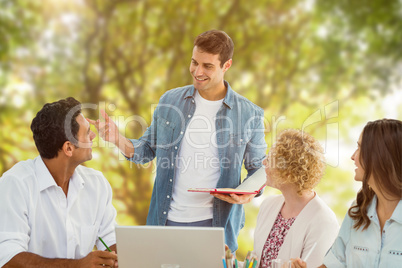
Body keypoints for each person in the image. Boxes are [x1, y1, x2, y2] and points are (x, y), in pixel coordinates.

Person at [87, 29, 267, 251]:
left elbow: (258, 170)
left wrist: (246, 195)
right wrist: (117, 138)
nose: (197, 71)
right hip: (165, 222)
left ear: (226, 66)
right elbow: (145, 150)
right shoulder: (170, 100)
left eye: (208, 66)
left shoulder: (250, 114)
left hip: (216, 227)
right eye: (194, 63)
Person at [0, 97, 118, 268]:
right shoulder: (15, 184)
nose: (93, 135)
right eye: (86, 132)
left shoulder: (97, 184)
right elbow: (8, 258)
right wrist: (76, 266)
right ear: (68, 148)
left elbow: (111, 240)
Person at [291, 119, 402, 268]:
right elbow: (335, 263)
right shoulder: (358, 210)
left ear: (380, 156)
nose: (353, 156)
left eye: (360, 148)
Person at [249, 129, 339, 268]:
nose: (265, 162)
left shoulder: (323, 220)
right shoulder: (268, 205)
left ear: (290, 171)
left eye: (271, 159)